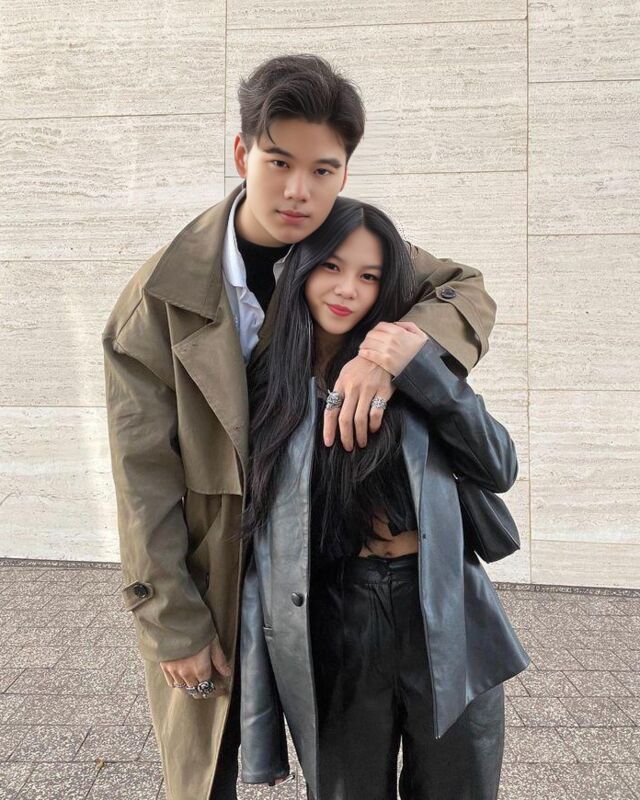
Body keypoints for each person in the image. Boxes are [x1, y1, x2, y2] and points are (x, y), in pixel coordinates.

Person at [102, 53, 499, 800]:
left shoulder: (348, 244)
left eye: (323, 170)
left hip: (338, 580)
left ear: (345, 172)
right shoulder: (157, 301)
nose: (299, 191)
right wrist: (174, 621)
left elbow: (462, 288)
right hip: (224, 570)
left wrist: (389, 352)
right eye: (279, 162)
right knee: (209, 766)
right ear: (242, 152)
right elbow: (142, 476)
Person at [239, 196, 530, 799]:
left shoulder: (409, 366)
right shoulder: (269, 387)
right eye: (331, 266)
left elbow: (498, 466)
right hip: (336, 620)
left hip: (444, 610)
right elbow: (257, 551)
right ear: (301, 269)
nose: (348, 289)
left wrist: (415, 367)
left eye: (369, 276)